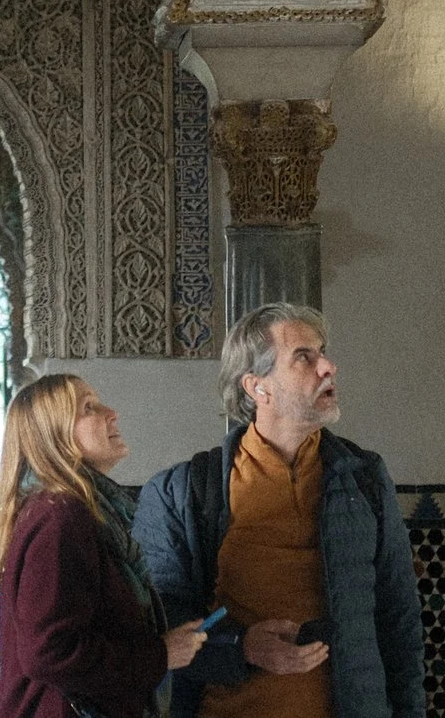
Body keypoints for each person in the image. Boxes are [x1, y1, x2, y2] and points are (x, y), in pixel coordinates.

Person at [133, 305, 424, 718]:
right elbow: (161, 622)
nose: (328, 366)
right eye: (304, 357)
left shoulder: (363, 479)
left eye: (322, 352)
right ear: (257, 387)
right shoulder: (183, 491)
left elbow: (399, 619)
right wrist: (241, 647)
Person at [0, 374, 206, 718]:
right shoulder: (60, 516)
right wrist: (160, 654)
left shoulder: (76, 510)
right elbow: (49, 652)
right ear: (55, 435)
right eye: (89, 408)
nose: (112, 413)